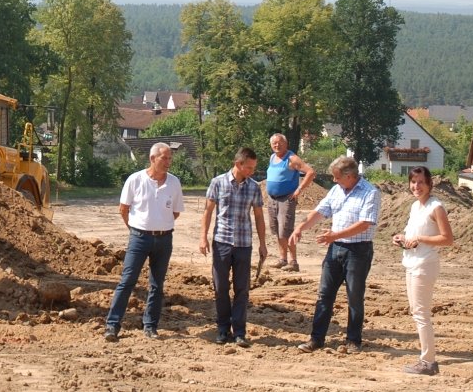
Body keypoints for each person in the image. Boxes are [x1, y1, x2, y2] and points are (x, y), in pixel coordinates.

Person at [290, 155, 381, 354]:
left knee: (354, 296)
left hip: (358, 250)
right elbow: (320, 211)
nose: (334, 180)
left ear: (349, 176)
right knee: (324, 295)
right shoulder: (336, 190)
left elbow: (365, 223)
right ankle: (316, 339)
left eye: (336, 176)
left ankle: (353, 341)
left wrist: (335, 235)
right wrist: (300, 228)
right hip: (336, 248)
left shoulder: (370, 193)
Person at [104, 142, 185, 342]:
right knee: (127, 280)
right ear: (152, 159)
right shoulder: (135, 180)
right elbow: (123, 209)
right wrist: (136, 229)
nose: (168, 162)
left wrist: (160, 224)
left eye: (170, 159)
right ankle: (112, 325)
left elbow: (175, 212)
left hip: (164, 239)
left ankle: (150, 326)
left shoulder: (174, 183)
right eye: (164, 158)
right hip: (139, 238)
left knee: (157, 284)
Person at [199, 147, 267, 347]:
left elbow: (259, 217)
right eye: (249, 167)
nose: (252, 172)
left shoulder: (253, 187)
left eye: (254, 168)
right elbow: (208, 211)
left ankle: (239, 332)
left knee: (242, 289)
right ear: (238, 164)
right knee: (221, 288)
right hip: (222, 242)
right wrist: (203, 237)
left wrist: (263, 244)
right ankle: (222, 329)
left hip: (244, 244)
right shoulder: (218, 183)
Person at [391, 166, 454, 376]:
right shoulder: (415, 206)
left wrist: (419, 239)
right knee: (417, 312)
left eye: (421, 182)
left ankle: (428, 361)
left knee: (421, 314)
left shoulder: (436, 207)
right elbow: (413, 236)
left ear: (429, 184)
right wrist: (402, 239)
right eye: (413, 182)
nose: (416, 186)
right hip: (411, 262)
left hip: (425, 264)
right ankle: (427, 358)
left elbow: (447, 239)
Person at [265, 132, 315, 272]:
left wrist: (299, 189)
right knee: (277, 231)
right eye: (274, 143)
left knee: (286, 230)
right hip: (272, 199)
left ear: (286, 144)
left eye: (280, 143)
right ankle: (283, 259)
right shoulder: (272, 157)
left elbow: (310, 172)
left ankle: (293, 262)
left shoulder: (292, 158)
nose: (277, 145)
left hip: (286, 199)